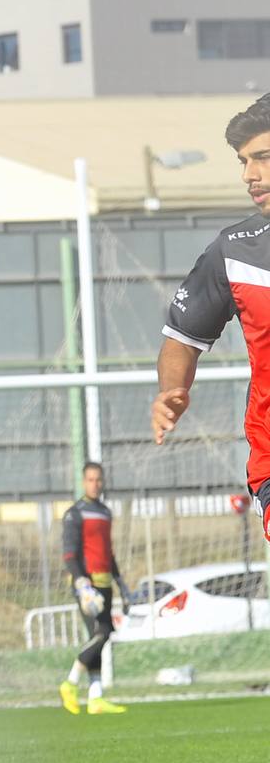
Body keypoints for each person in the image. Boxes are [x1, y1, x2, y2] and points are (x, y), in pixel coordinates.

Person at [154, 94, 270, 548]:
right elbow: (182, 339)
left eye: (262, 157)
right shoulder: (234, 251)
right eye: (243, 161)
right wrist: (170, 391)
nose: (248, 175)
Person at [58, 462, 130, 715]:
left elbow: (108, 554)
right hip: (87, 586)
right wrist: (80, 582)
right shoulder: (74, 514)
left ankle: (95, 697)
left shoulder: (105, 512)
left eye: (98, 480)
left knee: (97, 638)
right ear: (83, 482)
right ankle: (70, 682)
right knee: (104, 632)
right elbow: (69, 554)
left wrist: (121, 584)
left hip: (105, 582)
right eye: (90, 480)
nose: (95, 484)